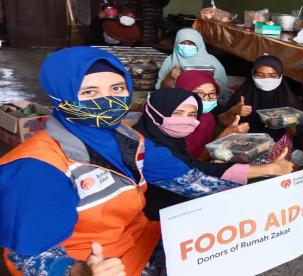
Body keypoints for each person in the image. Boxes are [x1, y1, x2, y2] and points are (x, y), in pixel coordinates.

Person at [0, 46, 237, 276]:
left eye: (117, 87)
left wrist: (250, 194)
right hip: (93, 263)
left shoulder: (124, 136)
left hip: (139, 240)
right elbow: (25, 255)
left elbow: (183, 178)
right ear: (62, 96)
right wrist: (77, 270)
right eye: (90, 92)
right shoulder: (38, 167)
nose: (109, 100)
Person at [133, 88, 295, 216]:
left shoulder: (163, 135)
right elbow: (193, 179)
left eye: (192, 114)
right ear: (154, 112)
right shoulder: (146, 149)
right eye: (177, 113)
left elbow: (189, 163)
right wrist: (270, 169)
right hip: (155, 217)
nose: (186, 120)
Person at [222, 55, 303, 161]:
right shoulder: (243, 95)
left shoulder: (289, 101)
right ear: (253, 75)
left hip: (277, 140)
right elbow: (222, 121)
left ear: (280, 76)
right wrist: (233, 111)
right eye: (260, 75)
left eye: (272, 76)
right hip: (244, 140)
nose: (266, 80)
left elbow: (296, 133)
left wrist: (285, 121)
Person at [175, 70, 249, 160]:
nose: (207, 99)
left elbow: (209, 145)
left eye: (212, 93)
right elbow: (195, 163)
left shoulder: (207, 116)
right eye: (200, 93)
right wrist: (226, 135)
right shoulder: (176, 123)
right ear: (183, 92)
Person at [155, 28, 230, 104]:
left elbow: (222, 90)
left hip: (205, 101)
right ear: (176, 43)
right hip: (177, 102)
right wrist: (170, 77)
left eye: (191, 43)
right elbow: (161, 89)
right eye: (182, 43)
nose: (186, 46)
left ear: (199, 44)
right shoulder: (170, 60)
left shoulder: (212, 62)